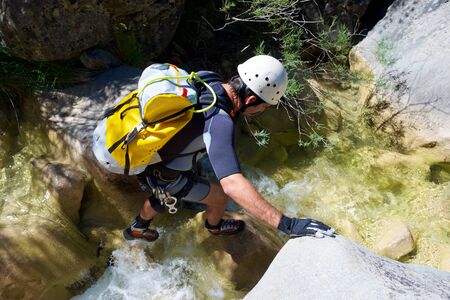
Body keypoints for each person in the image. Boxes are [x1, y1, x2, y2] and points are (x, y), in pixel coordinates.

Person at [123, 55, 335, 241]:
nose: (262, 110)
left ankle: (138, 227)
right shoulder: (220, 122)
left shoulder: (209, 80)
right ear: (251, 99)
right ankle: (213, 227)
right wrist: (288, 225)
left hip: (152, 153)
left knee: (167, 193)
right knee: (219, 198)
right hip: (164, 171)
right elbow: (232, 185)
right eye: (263, 106)